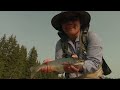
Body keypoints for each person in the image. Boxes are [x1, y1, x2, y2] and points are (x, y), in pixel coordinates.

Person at [40, 11, 104, 79]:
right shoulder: (60, 43)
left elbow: (95, 63)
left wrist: (79, 67)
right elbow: (60, 71)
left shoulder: (91, 36)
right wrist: (51, 67)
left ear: (81, 22)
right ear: (61, 25)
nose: (69, 22)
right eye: (65, 20)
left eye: (73, 18)